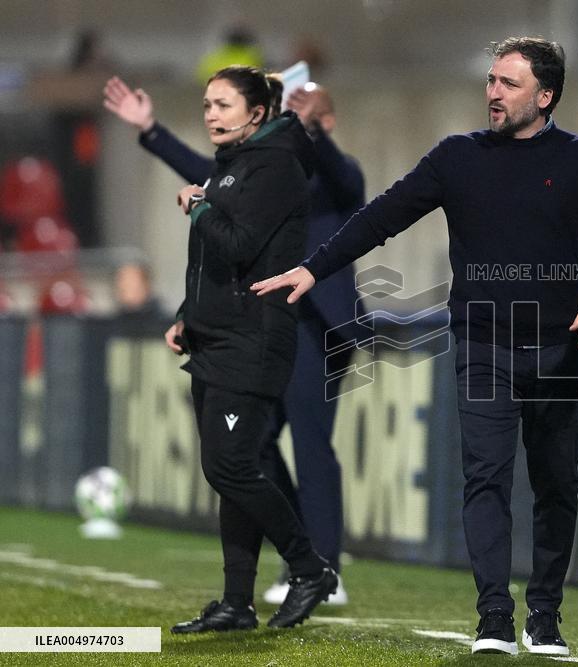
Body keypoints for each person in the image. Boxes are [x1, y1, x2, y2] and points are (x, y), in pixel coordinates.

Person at [252, 37, 578, 656]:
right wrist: (314, 269)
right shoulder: (458, 156)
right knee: (486, 479)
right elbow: (381, 217)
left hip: (558, 347)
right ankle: (493, 616)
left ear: (545, 96)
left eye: (508, 84)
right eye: (491, 81)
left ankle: (544, 614)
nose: (493, 93)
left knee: (557, 484)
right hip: (482, 342)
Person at [103, 76, 364, 606]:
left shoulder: (326, 172)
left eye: (304, 110)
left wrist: (313, 127)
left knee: (310, 444)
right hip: (259, 321)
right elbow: (211, 178)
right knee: (253, 445)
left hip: (314, 323)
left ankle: (324, 568)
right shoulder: (255, 167)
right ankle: (299, 562)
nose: (292, 115)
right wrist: (151, 130)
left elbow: (339, 177)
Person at [154, 65, 336, 633]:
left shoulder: (276, 165)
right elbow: (215, 264)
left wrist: (199, 205)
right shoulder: (232, 163)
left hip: (252, 338)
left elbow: (238, 245)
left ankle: (309, 568)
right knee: (233, 472)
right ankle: (237, 603)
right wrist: (187, 315)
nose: (211, 114)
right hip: (214, 337)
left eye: (223, 105)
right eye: (207, 104)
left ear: (257, 113)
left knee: (229, 467)